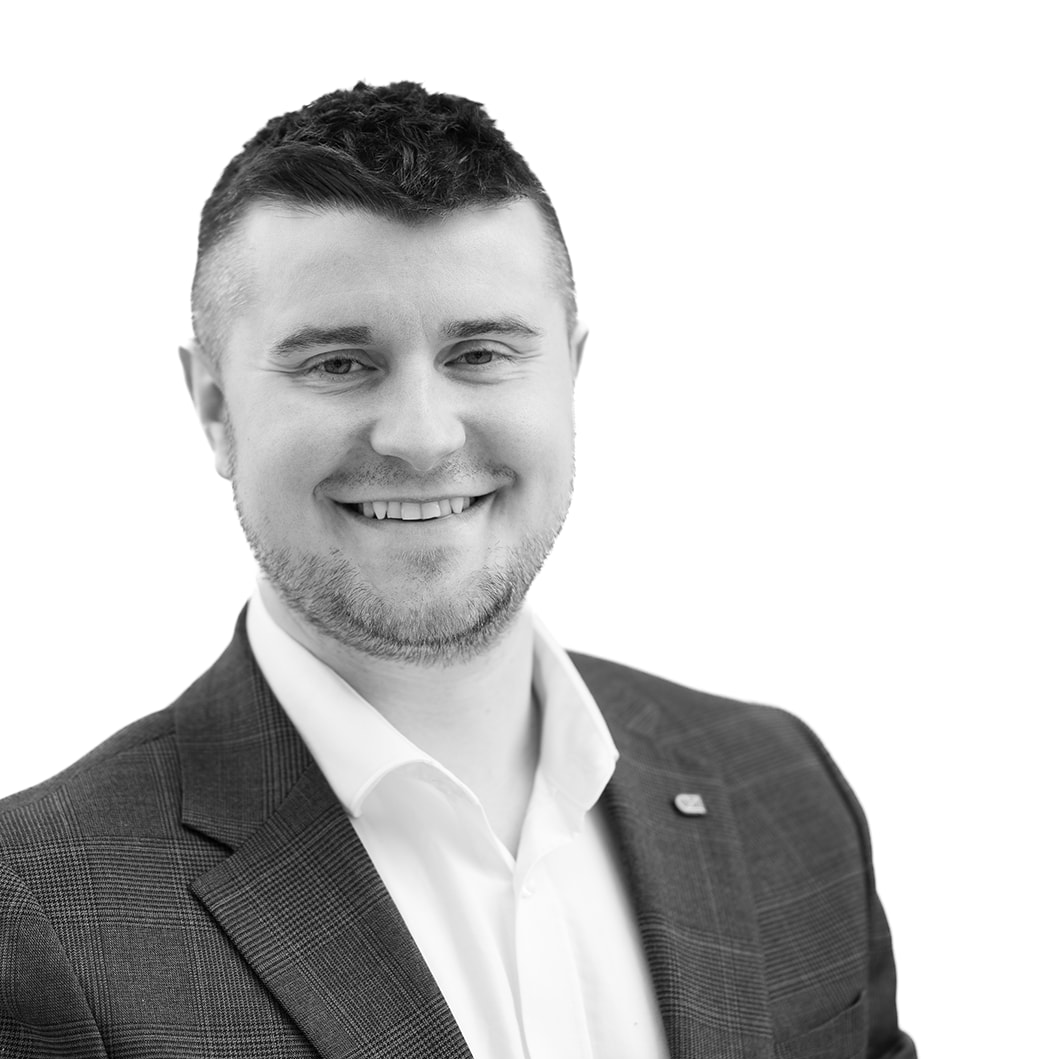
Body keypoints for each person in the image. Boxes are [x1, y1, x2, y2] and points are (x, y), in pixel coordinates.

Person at [0, 82, 915, 1059]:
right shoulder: (43, 912)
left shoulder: (780, 787)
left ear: (571, 374)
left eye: (479, 353)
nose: (422, 436)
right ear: (215, 408)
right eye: (338, 364)